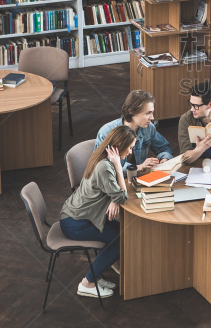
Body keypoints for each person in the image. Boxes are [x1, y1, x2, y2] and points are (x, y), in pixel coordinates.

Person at [60, 125, 134, 298]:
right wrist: (118, 167)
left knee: (119, 231)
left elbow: (112, 192)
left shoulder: (100, 157)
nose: (130, 152)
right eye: (129, 148)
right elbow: (123, 196)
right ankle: (87, 283)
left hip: (77, 216)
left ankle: (97, 274)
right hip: (76, 224)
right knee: (120, 240)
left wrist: (113, 198)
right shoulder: (106, 167)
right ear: (119, 146)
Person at [96, 90, 173, 173]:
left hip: (138, 178)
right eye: (148, 113)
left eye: (152, 112)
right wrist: (137, 167)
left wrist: (164, 159)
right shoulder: (107, 132)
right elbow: (104, 167)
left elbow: (165, 148)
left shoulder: (149, 128)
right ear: (132, 111)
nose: (152, 118)